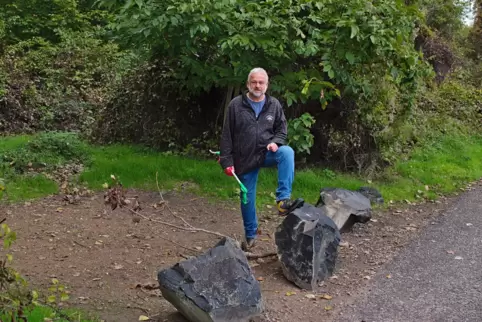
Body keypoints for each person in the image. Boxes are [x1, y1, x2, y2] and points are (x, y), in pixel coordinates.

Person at [219, 67, 303, 250]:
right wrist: (227, 161)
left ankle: (282, 201)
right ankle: (250, 236)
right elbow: (227, 135)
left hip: (266, 152)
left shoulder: (274, 105)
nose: (258, 85)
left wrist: (276, 142)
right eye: (254, 82)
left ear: (267, 85)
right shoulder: (235, 105)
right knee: (246, 197)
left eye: (261, 82)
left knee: (287, 152)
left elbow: (282, 129)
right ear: (248, 84)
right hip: (244, 158)